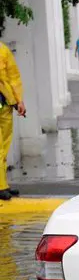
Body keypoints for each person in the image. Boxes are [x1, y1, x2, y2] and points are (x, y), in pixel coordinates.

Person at [0, 39, 25, 201]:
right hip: (4, 103)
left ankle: (3, 185)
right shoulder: (2, 50)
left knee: (4, 146)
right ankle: (1, 186)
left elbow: (13, 77)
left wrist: (18, 100)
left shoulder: (3, 50)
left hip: (5, 104)